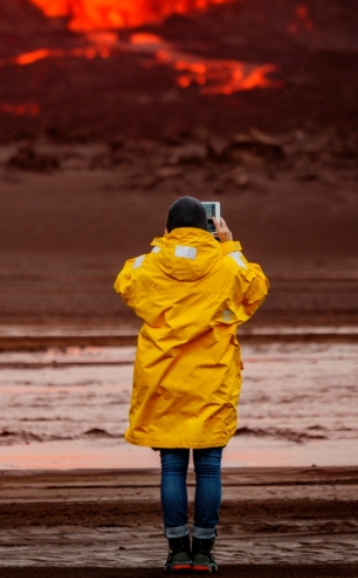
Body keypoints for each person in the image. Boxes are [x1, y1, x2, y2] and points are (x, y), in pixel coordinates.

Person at [114, 196, 269, 574]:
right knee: (209, 467)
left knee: (172, 467)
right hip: (210, 378)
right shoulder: (225, 263)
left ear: (168, 228)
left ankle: (177, 552)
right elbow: (255, 287)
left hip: (163, 378)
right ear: (209, 227)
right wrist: (230, 245)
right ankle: (204, 551)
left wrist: (161, 246)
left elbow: (125, 281)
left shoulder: (148, 264)